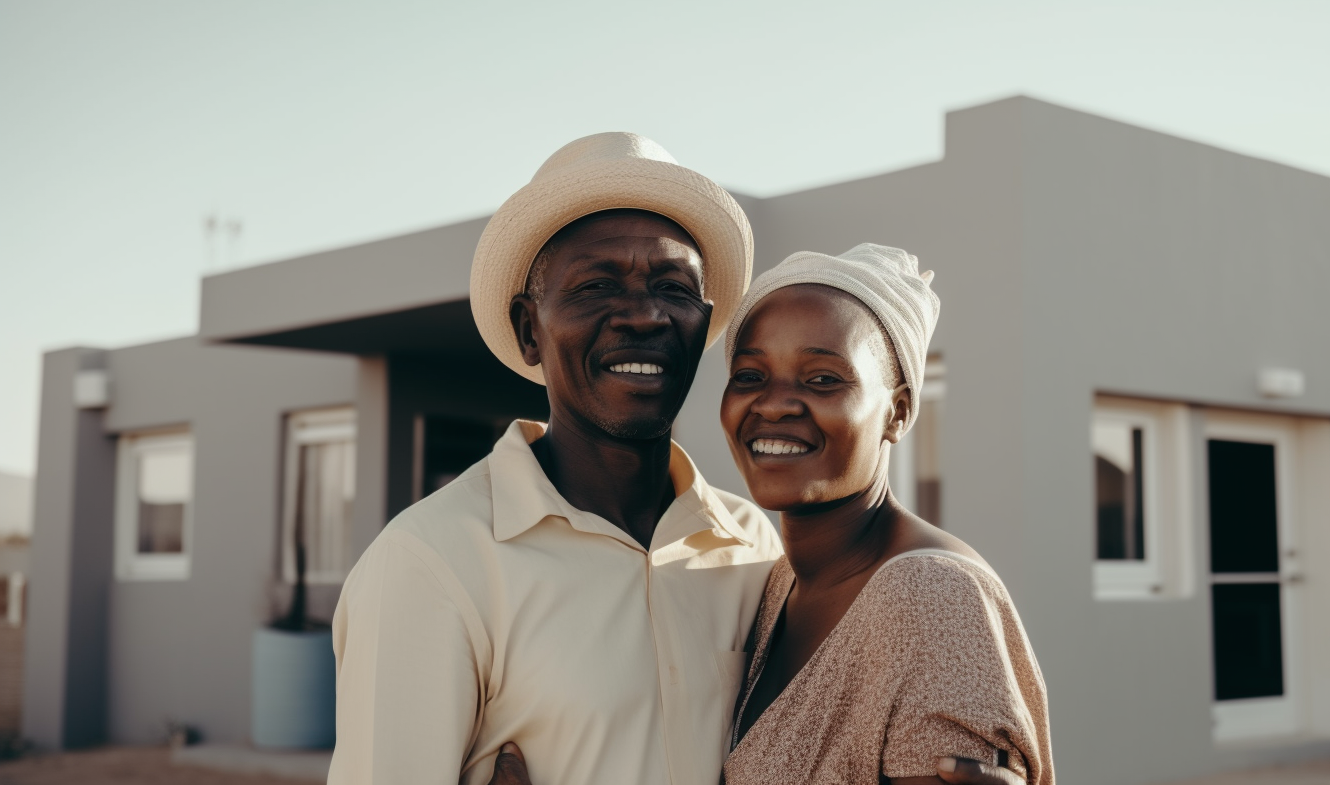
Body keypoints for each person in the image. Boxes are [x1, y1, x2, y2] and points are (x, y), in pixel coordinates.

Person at [329, 134, 1017, 785]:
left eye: (673, 288)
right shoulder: (432, 564)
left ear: (701, 325)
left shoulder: (755, 557)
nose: (642, 315)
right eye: (596, 286)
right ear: (526, 330)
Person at [718, 244, 1054, 784]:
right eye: (751, 376)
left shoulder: (929, 596)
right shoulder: (779, 584)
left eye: (823, 379)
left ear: (896, 413)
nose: (775, 403)